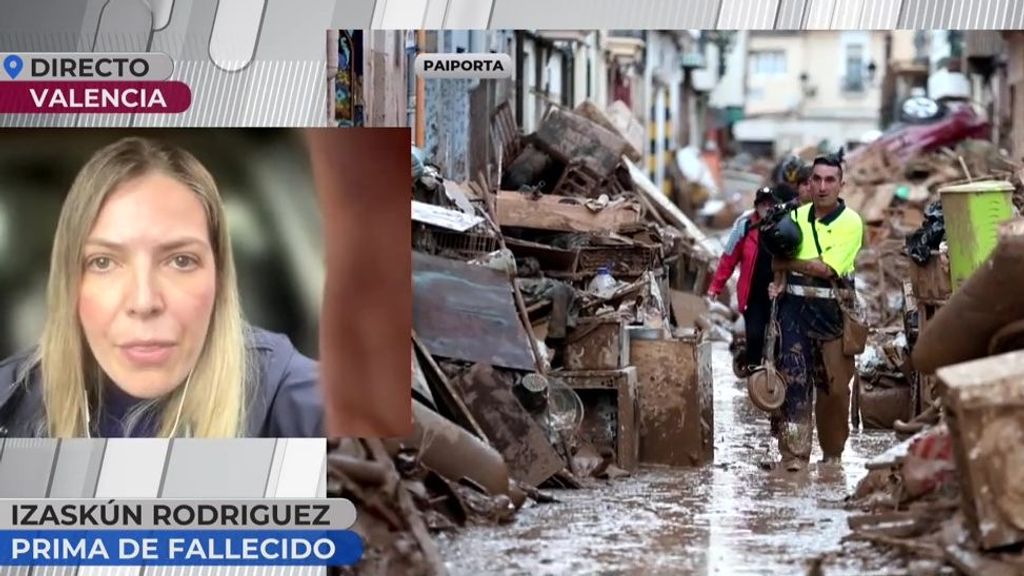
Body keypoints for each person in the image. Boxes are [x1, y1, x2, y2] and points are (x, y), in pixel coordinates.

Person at [0, 137, 324, 438]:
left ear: (220, 276)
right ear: (68, 283)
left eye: (180, 261)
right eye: (103, 262)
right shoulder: (11, 403)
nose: (144, 301)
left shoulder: (285, 394)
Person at [767, 150, 863, 471]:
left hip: (833, 313)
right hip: (793, 311)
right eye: (817, 180)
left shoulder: (851, 223)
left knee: (834, 390)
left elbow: (825, 269)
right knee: (793, 382)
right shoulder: (794, 218)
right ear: (809, 183)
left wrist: (786, 264)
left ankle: (833, 456)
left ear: (840, 184)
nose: (822, 187)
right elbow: (775, 254)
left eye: (830, 180)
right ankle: (794, 456)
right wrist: (778, 276)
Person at [709, 183, 798, 373]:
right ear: (756, 206)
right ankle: (753, 376)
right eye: (762, 204)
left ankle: (780, 382)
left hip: (779, 293)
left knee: (781, 340)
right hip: (753, 297)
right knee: (755, 336)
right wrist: (715, 287)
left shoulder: (786, 226)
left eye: (770, 204)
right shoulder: (744, 227)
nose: (766, 208)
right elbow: (728, 259)